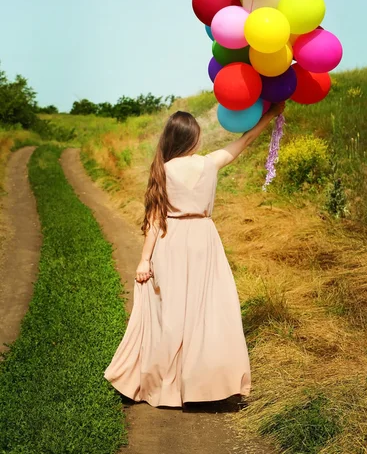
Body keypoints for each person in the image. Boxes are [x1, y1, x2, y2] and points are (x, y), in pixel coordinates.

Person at [103, 100, 286, 408]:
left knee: (173, 314)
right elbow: (246, 139)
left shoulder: (162, 169)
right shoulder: (210, 162)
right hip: (203, 240)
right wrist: (270, 114)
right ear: (193, 138)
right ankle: (205, 385)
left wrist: (145, 259)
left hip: (170, 241)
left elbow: (154, 219)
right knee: (208, 311)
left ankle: (164, 383)